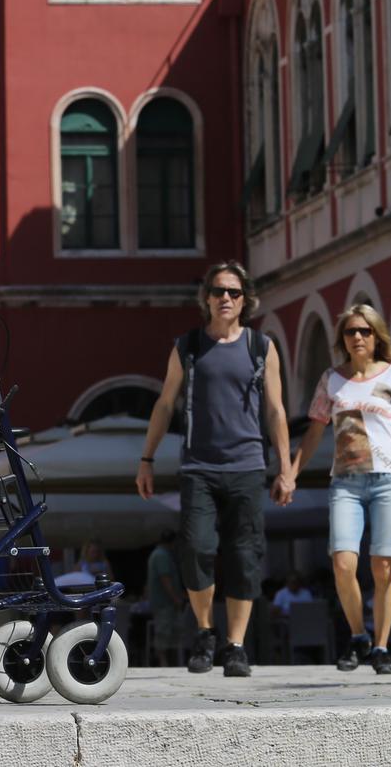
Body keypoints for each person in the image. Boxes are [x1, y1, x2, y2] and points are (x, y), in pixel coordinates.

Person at [137, 260, 292, 678]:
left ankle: (236, 644)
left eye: (234, 293)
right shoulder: (187, 347)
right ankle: (206, 631)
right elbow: (165, 404)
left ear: (245, 301)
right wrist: (147, 459)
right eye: (219, 291)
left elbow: (276, 410)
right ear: (206, 298)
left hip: (247, 466)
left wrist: (286, 467)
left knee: (245, 556)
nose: (226, 298)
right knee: (198, 549)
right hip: (199, 467)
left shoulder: (262, 347)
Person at [289, 304, 391, 675]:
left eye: (365, 331)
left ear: (377, 336)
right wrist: (291, 473)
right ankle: (358, 635)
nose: (357, 337)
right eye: (350, 332)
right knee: (343, 562)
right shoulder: (331, 379)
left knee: (383, 564)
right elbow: (313, 432)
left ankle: (381, 646)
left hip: (388, 479)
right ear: (342, 339)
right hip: (345, 480)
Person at [145, 529, 185, 667]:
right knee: (163, 632)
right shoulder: (162, 555)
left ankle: (168, 662)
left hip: (163, 602)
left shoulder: (160, 554)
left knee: (169, 632)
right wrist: (175, 598)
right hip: (165, 603)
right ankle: (163, 662)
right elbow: (165, 578)